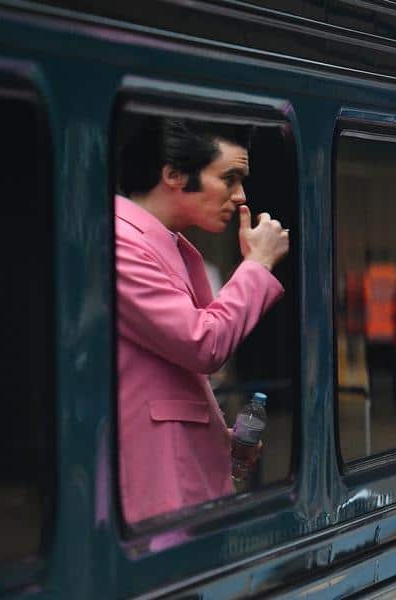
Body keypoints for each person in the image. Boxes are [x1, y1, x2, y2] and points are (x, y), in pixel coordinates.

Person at [115, 117, 289, 524]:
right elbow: (203, 343)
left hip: (169, 479)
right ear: (173, 174)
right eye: (229, 178)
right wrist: (259, 264)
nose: (241, 195)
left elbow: (166, 377)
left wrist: (218, 439)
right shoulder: (121, 243)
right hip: (154, 495)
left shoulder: (159, 242)